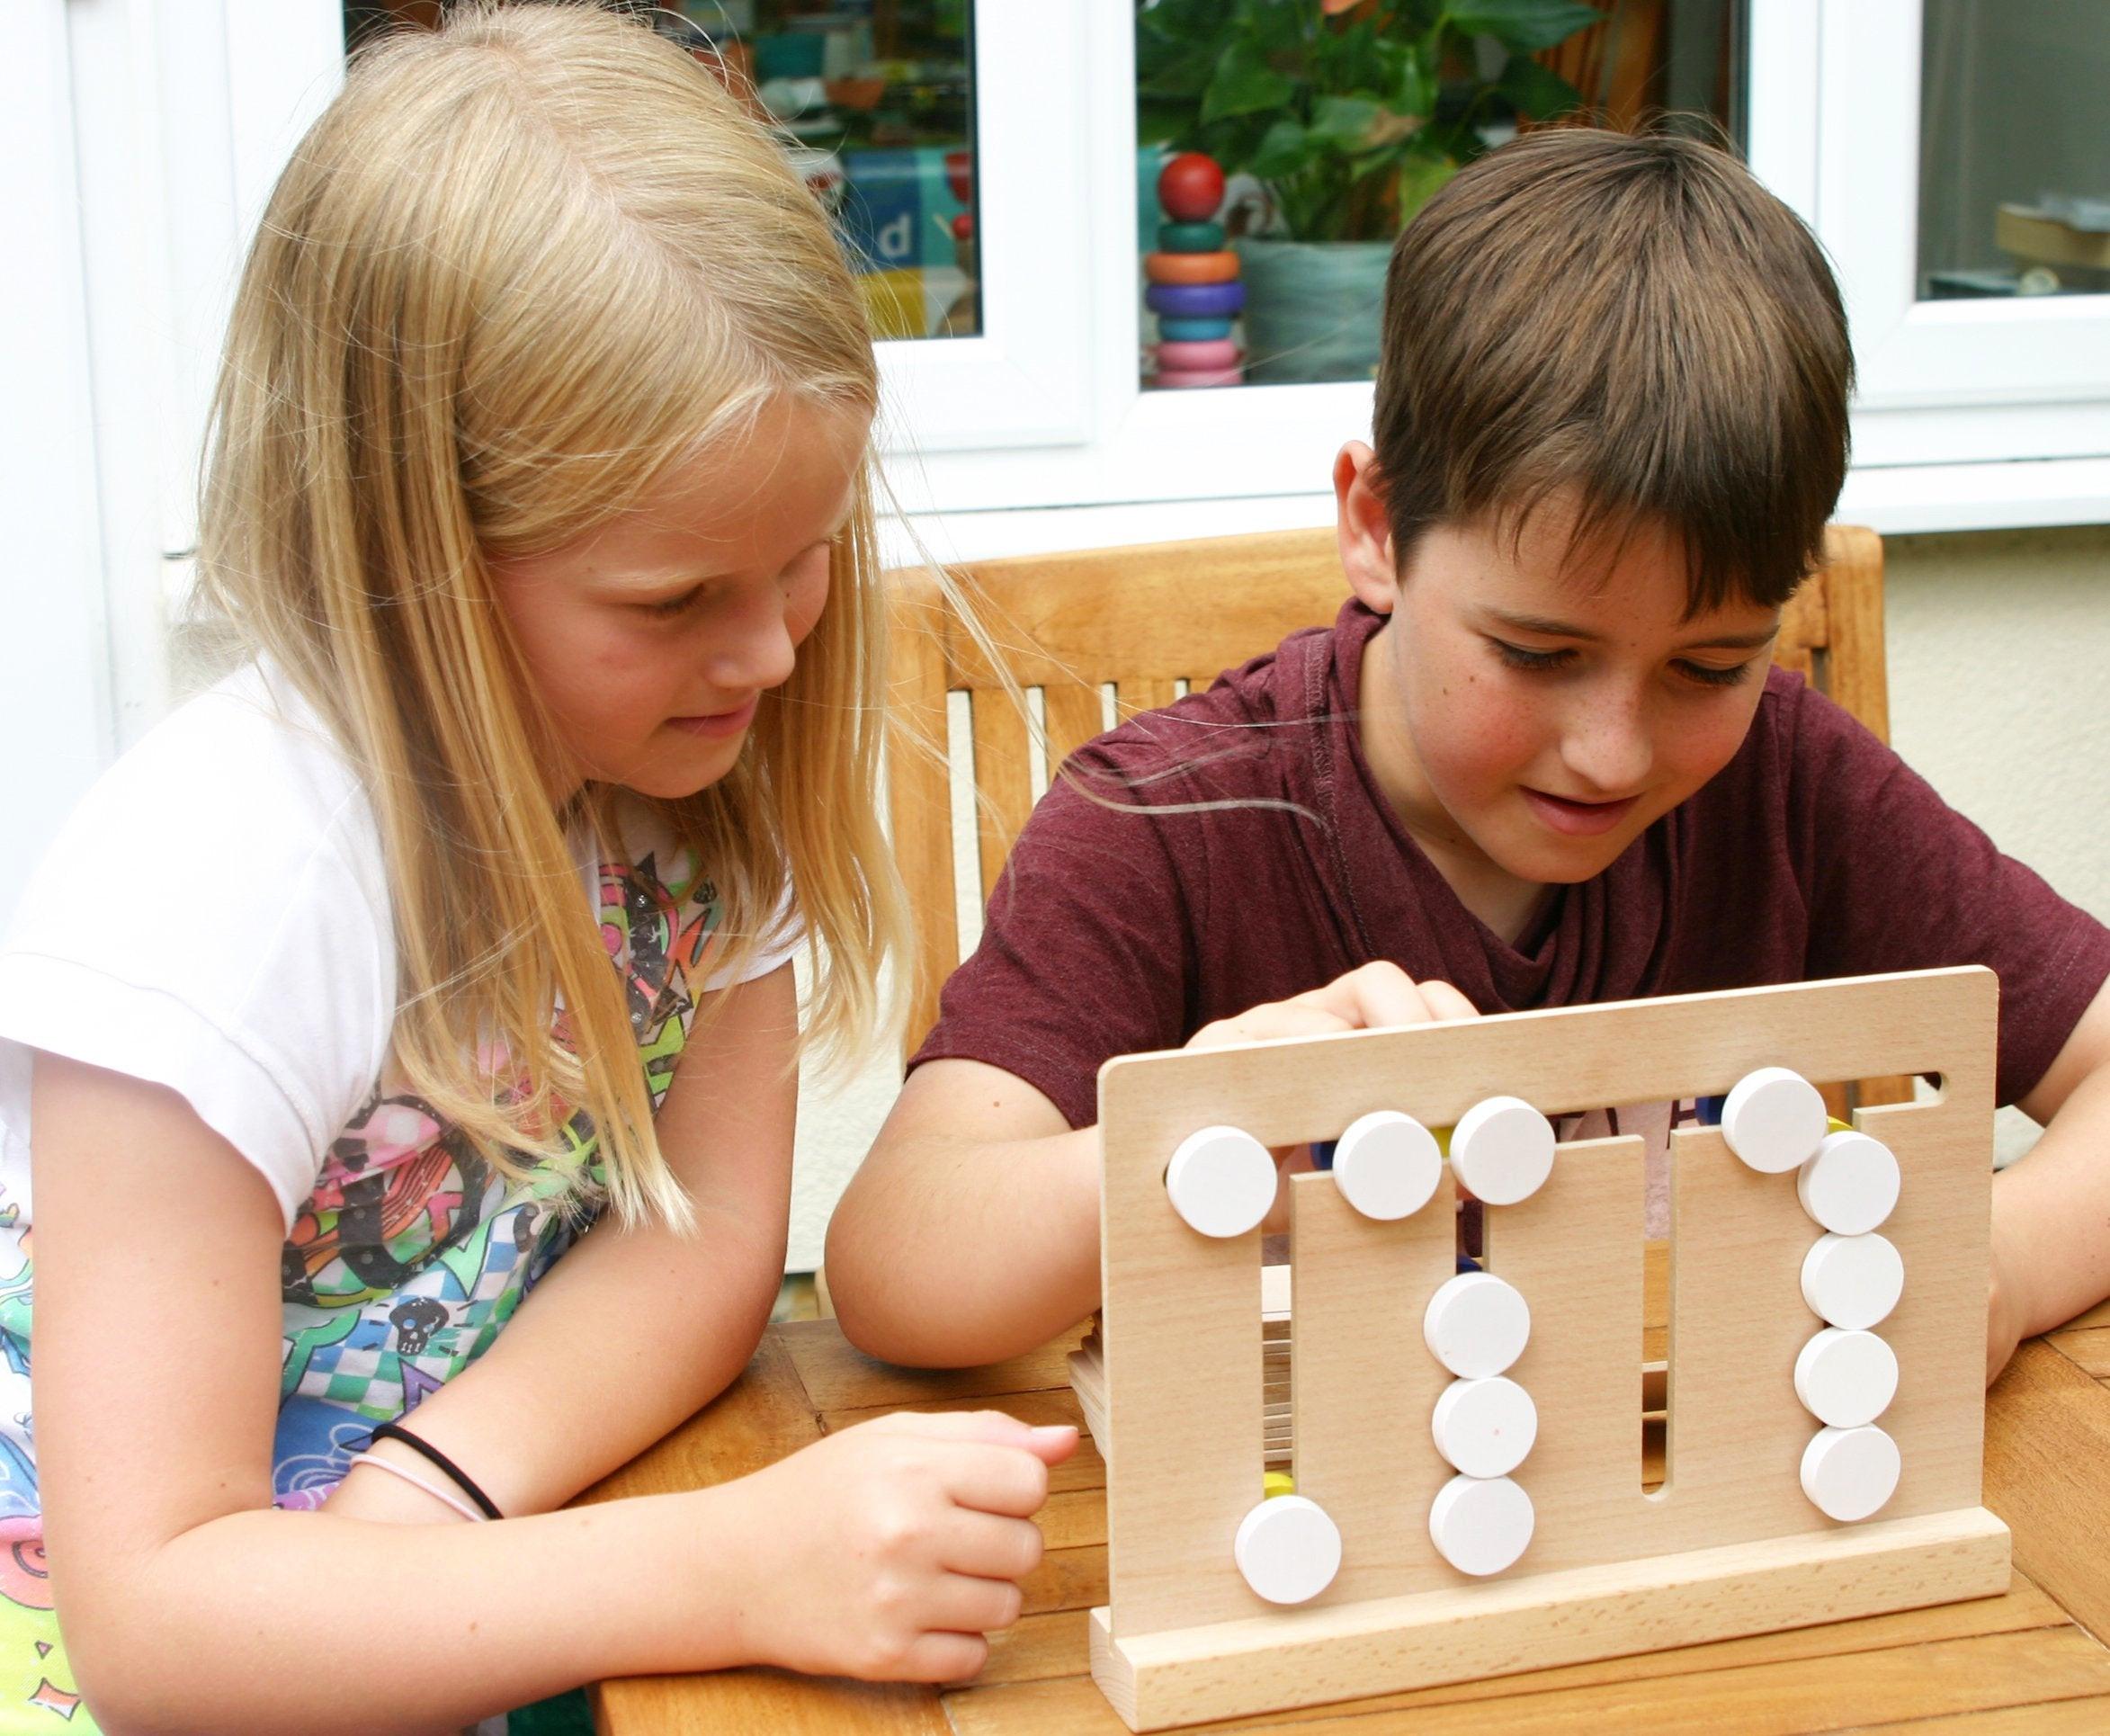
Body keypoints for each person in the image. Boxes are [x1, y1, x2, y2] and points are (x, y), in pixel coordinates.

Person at [0, 7, 1073, 1732]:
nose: (772, 655)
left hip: (458, 1593)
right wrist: (732, 1565)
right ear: (407, 542)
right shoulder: (214, 895)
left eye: (801, 566)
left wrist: (431, 1491)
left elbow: (707, 1231)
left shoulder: (681, 776)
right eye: (674, 601)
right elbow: (152, 1622)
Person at [826, 127, 2110, 1390]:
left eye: (1708, 667)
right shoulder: (1166, 820)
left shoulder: (1790, 784)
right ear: (1376, 527)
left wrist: (1997, 1256)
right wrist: (1193, 1123)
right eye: (1540, 654)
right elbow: (896, 1261)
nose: (1611, 753)